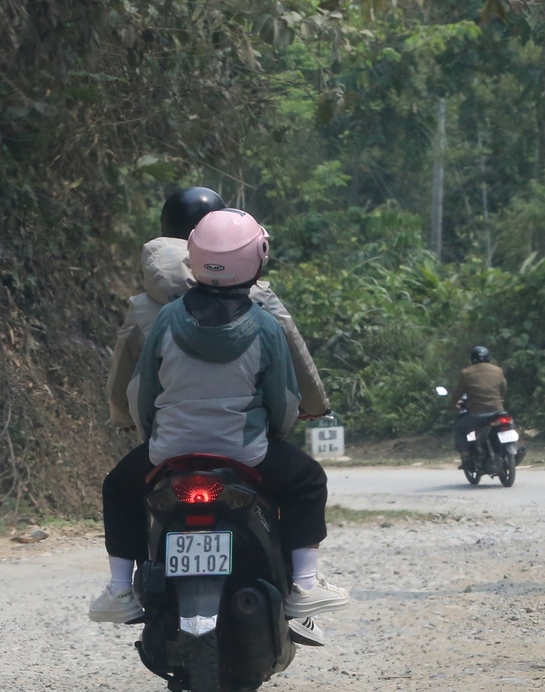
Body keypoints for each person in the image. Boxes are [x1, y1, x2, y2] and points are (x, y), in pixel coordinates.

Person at [90, 210, 350, 629]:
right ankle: (304, 585)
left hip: (169, 452)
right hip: (245, 453)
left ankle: (120, 589)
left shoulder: (166, 318)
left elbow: (142, 392)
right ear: (258, 257)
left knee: (118, 488)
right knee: (307, 481)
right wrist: (273, 437)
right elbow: (284, 400)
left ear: (193, 253)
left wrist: (154, 439)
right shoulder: (264, 324)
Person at [104, 186, 330, 432]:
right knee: (296, 460)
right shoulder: (259, 300)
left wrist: (123, 417)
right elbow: (295, 361)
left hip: (171, 438)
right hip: (245, 438)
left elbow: (127, 376)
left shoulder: (145, 308)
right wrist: (315, 405)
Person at [451, 345, 524, 462]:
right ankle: (513, 451)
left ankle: (466, 457)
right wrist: (501, 399)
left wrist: (453, 404)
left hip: (477, 414)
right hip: (498, 411)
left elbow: (458, 392)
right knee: (510, 424)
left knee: (459, 429)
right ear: (488, 358)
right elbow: (503, 388)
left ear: (472, 359)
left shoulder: (466, 373)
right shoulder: (498, 370)